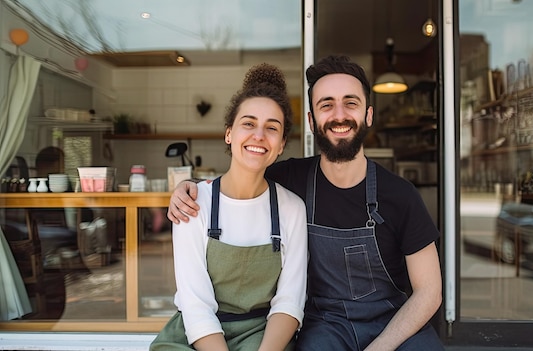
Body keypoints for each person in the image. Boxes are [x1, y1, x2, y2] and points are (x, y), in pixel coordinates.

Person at [168, 55, 444, 350]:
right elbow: (240, 177)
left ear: (369, 115)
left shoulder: (400, 195)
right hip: (326, 324)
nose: (339, 115)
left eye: (351, 103)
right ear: (312, 120)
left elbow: (429, 292)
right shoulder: (289, 179)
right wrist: (191, 188)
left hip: (393, 323)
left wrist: (381, 347)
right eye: (326, 105)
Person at [151, 63, 308, 351]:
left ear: (282, 144)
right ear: (229, 134)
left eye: (272, 128)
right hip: (196, 334)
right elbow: (196, 306)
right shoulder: (193, 203)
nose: (259, 135)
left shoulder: (292, 209)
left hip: (263, 335)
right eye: (248, 123)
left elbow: (290, 301)